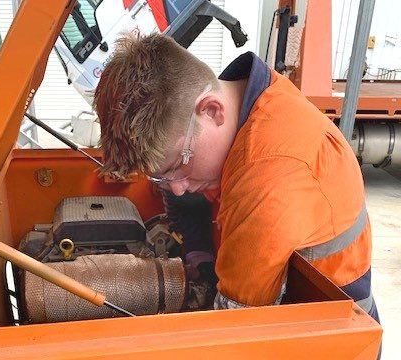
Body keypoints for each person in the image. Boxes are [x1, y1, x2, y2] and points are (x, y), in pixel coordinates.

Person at [93, 33, 379, 322]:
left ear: (212, 111)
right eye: (161, 177)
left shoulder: (271, 179)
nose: (177, 188)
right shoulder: (239, 101)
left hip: (330, 336)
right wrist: (197, 252)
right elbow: (182, 190)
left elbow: (234, 330)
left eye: (179, 164)